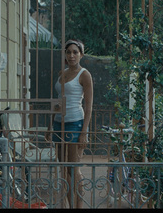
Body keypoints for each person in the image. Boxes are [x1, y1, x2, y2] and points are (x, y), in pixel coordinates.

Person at [46, 39, 93, 208]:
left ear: (81, 54)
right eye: (68, 52)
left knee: (74, 170)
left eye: (75, 52)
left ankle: (79, 205)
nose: (71, 55)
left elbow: (89, 107)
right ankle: (69, 204)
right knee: (64, 170)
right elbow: (57, 103)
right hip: (59, 125)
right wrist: (50, 127)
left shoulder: (84, 75)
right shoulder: (62, 73)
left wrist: (84, 132)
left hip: (75, 124)